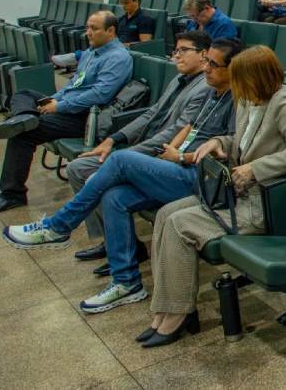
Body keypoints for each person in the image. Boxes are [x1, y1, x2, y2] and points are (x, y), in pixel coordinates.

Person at [2, 37, 239, 314]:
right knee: (115, 196)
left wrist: (179, 156)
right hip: (174, 164)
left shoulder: (236, 100)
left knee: (120, 159)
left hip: (200, 178)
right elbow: (187, 126)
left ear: (233, 69)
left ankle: (58, 226)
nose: (207, 68)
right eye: (207, 61)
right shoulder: (213, 92)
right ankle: (127, 283)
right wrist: (173, 149)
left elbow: (229, 148)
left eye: (213, 63)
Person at [140, 45, 286, 347]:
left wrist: (254, 169)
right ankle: (169, 308)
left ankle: (177, 315)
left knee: (181, 225)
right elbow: (241, 141)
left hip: (259, 203)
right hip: (233, 195)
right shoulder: (248, 99)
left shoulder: (283, 103)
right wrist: (218, 142)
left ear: (256, 77)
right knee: (167, 214)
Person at [62, 31, 212, 275]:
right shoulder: (178, 79)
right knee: (77, 169)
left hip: (160, 154)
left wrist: (129, 155)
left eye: (183, 50)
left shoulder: (205, 87)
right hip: (143, 147)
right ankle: (112, 242)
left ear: (203, 54)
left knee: (97, 177)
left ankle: (115, 245)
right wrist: (114, 139)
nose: (177, 56)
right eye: (175, 50)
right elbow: (151, 114)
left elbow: (173, 133)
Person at [0, 11, 134, 216]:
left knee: (23, 134)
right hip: (69, 107)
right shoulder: (91, 53)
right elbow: (74, 84)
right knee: (24, 93)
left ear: (111, 31)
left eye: (94, 29)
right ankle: (24, 117)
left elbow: (100, 95)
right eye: (87, 27)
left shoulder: (118, 57)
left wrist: (59, 107)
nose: (88, 33)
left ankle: (12, 194)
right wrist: (54, 99)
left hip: (87, 117)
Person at [52, 0, 156, 69]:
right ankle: (78, 58)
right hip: (115, 47)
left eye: (126, 2)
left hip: (126, 51)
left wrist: (123, 45)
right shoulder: (120, 19)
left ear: (136, 1)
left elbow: (145, 44)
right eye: (121, 2)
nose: (123, 5)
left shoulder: (145, 20)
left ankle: (77, 57)